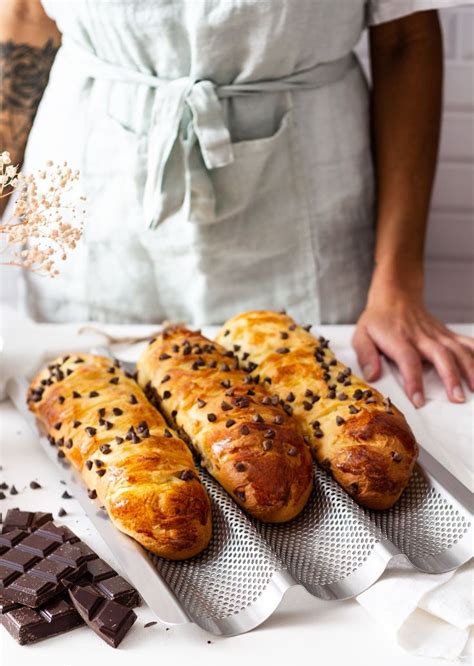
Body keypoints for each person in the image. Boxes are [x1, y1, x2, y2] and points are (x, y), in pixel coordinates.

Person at [1, 0, 472, 407]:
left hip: (303, 190)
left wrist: (399, 288)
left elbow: (405, 37)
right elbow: (23, 14)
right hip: (89, 180)